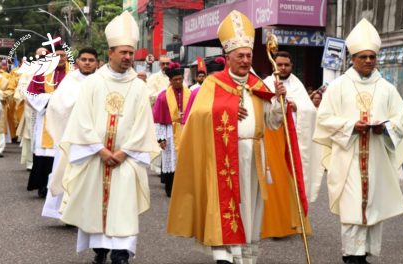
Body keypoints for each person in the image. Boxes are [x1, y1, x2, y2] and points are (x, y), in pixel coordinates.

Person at [167, 10, 296, 264]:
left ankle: (244, 254)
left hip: (254, 156)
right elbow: (197, 116)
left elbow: (271, 122)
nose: (246, 60)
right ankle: (225, 255)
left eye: (249, 55)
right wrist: (224, 109)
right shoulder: (213, 84)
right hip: (224, 157)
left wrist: (280, 103)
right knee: (228, 205)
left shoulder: (258, 84)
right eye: (240, 56)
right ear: (228, 58)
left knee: (249, 207)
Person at [59, 11, 159, 264]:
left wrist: (124, 152)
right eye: (122, 52)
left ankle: (121, 253)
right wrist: (100, 150)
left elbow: (143, 124)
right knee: (96, 205)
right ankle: (100, 250)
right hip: (97, 157)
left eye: (130, 52)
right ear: (111, 52)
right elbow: (81, 119)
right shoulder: (93, 83)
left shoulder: (138, 86)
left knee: (123, 208)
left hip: (126, 159)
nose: (127, 57)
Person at [313, 18, 403, 264]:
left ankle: (363, 255)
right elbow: (323, 118)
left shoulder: (387, 88)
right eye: (363, 56)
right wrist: (350, 126)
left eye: (372, 57)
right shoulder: (338, 87)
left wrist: (385, 129)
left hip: (375, 159)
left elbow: (399, 118)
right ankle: (351, 256)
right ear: (352, 58)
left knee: (372, 210)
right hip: (348, 160)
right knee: (353, 211)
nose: (368, 61)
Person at [262, 51, 317, 238]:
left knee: (290, 180)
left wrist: (295, 107)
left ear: (291, 66)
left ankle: (292, 220)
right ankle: (274, 222)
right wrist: (277, 101)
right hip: (273, 139)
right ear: (273, 65)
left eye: (286, 65)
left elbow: (310, 110)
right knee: (274, 181)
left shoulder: (297, 86)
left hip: (293, 140)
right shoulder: (267, 84)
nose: (283, 68)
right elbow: (262, 109)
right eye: (279, 64)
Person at [41, 47, 99, 219]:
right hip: (71, 137)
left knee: (90, 177)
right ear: (78, 62)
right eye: (84, 59)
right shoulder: (70, 80)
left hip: (94, 138)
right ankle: (65, 211)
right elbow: (57, 106)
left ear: (96, 63)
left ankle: (87, 213)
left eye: (91, 60)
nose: (87, 63)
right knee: (66, 172)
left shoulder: (102, 81)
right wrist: (79, 104)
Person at [26, 45, 70, 198]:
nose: (60, 58)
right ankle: (44, 186)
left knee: (65, 153)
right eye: (57, 55)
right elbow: (31, 94)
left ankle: (65, 187)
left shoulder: (74, 74)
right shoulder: (42, 72)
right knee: (47, 153)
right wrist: (54, 99)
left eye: (63, 55)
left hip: (68, 119)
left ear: (66, 57)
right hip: (47, 117)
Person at [152, 62, 191, 197]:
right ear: (170, 81)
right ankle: (170, 188)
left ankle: (184, 188)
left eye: (180, 79)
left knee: (186, 160)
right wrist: (161, 138)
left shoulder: (190, 94)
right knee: (171, 159)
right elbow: (158, 119)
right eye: (175, 80)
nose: (179, 82)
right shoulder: (163, 97)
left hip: (186, 130)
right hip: (169, 130)